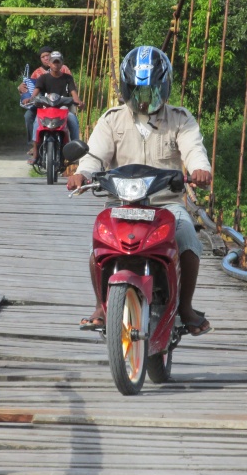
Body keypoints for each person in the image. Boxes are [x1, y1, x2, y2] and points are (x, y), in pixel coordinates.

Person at [66, 45, 213, 336]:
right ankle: (101, 306)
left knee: (186, 236)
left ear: (165, 88)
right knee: (99, 243)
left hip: (165, 203)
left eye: (152, 91)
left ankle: (185, 308)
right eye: (137, 91)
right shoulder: (112, 119)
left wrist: (200, 169)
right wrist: (82, 173)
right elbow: (95, 154)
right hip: (121, 202)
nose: (144, 99)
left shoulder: (180, 119)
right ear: (126, 89)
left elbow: (194, 149)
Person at [25, 51, 84, 163]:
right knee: (36, 123)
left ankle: (75, 151)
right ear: (49, 64)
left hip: (63, 109)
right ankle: (35, 153)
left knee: (73, 119)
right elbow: (35, 92)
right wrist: (30, 99)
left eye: (58, 62)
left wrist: (79, 102)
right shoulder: (43, 78)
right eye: (53, 62)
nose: (56, 64)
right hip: (46, 109)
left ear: (62, 63)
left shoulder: (68, 78)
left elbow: (74, 94)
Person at [20, 46, 72, 144]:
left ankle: (69, 144)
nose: (46, 58)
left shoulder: (64, 69)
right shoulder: (37, 73)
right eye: (42, 57)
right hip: (42, 104)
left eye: (47, 55)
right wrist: (21, 88)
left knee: (71, 119)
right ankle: (33, 144)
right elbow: (31, 89)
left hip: (61, 103)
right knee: (28, 116)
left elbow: (72, 86)